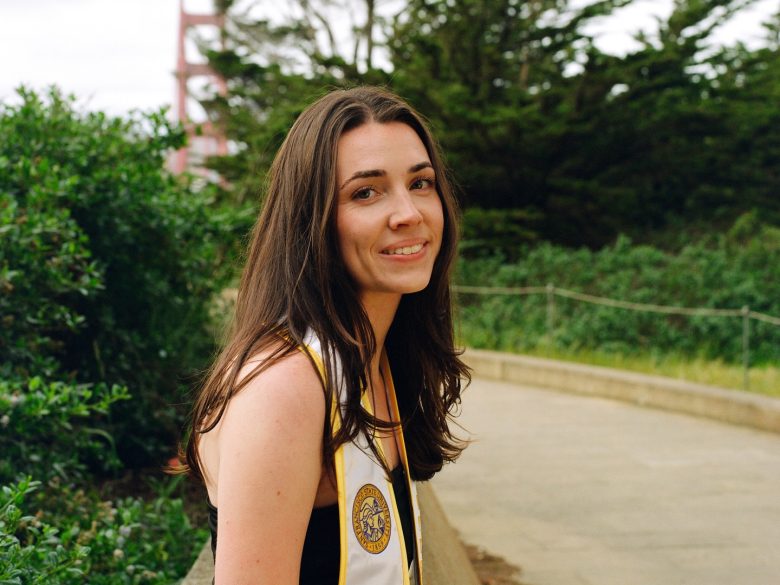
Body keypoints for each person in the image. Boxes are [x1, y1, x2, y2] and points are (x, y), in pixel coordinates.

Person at [181, 86, 470, 585]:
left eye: (421, 183)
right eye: (366, 192)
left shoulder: (377, 357)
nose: (409, 213)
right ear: (311, 221)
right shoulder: (282, 384)